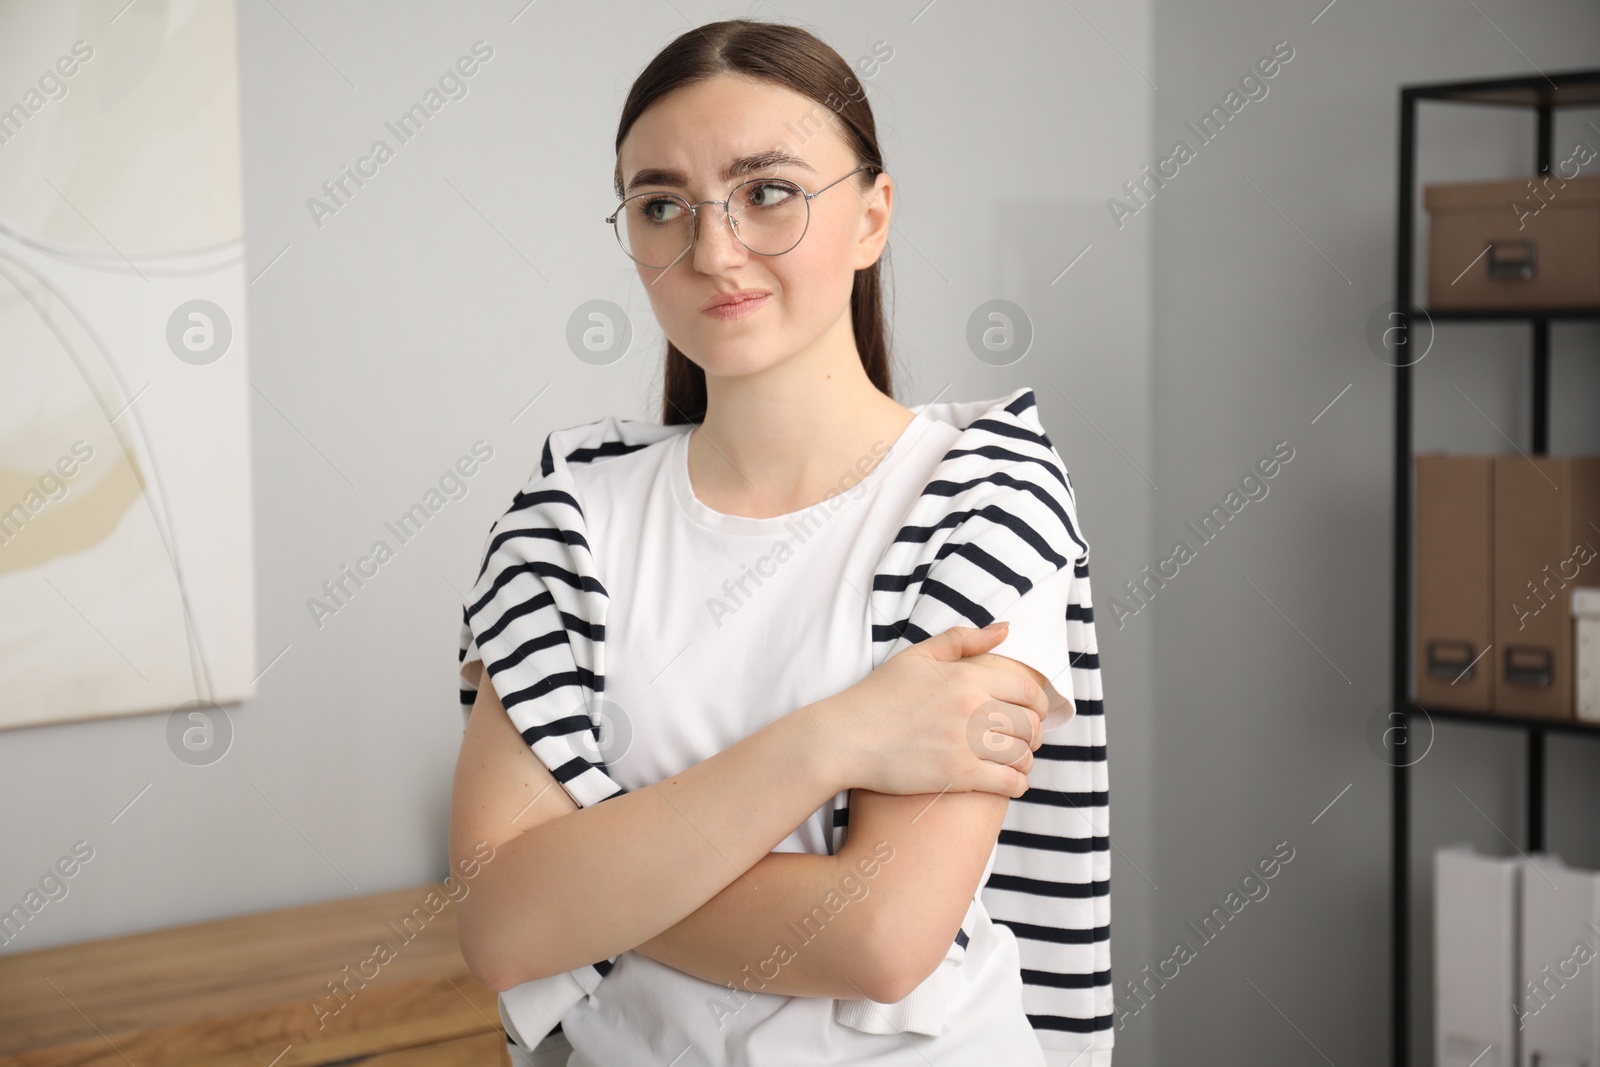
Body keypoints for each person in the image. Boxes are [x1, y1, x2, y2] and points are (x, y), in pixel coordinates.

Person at [449, 18, 1111, 1065]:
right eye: (663, 205)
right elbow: (496, 926)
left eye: (767, 191)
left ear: (871, 214)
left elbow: (884, 935)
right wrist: (837, 736)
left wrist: (589, 884)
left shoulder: (984, 490)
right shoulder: (566, 517)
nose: (713, 250)